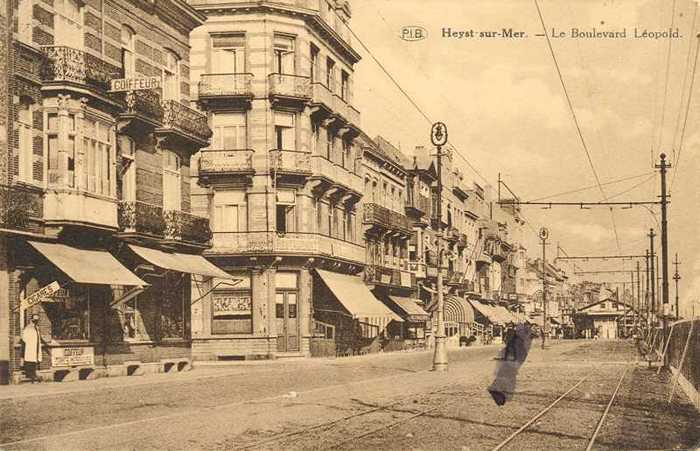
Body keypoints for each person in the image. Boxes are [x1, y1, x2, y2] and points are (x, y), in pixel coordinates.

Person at [20, 314, 47, 383]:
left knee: (34, 361)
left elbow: (39, 337)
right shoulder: (28, 328)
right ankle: (31, 376)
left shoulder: (37, 328)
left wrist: (44, 343)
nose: (35, 322)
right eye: (34, 320)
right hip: (30, 347)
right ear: (31, 320)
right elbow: (24, 338)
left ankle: (33, 375)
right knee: (30, 361)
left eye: (37, 320)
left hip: (36, 347)